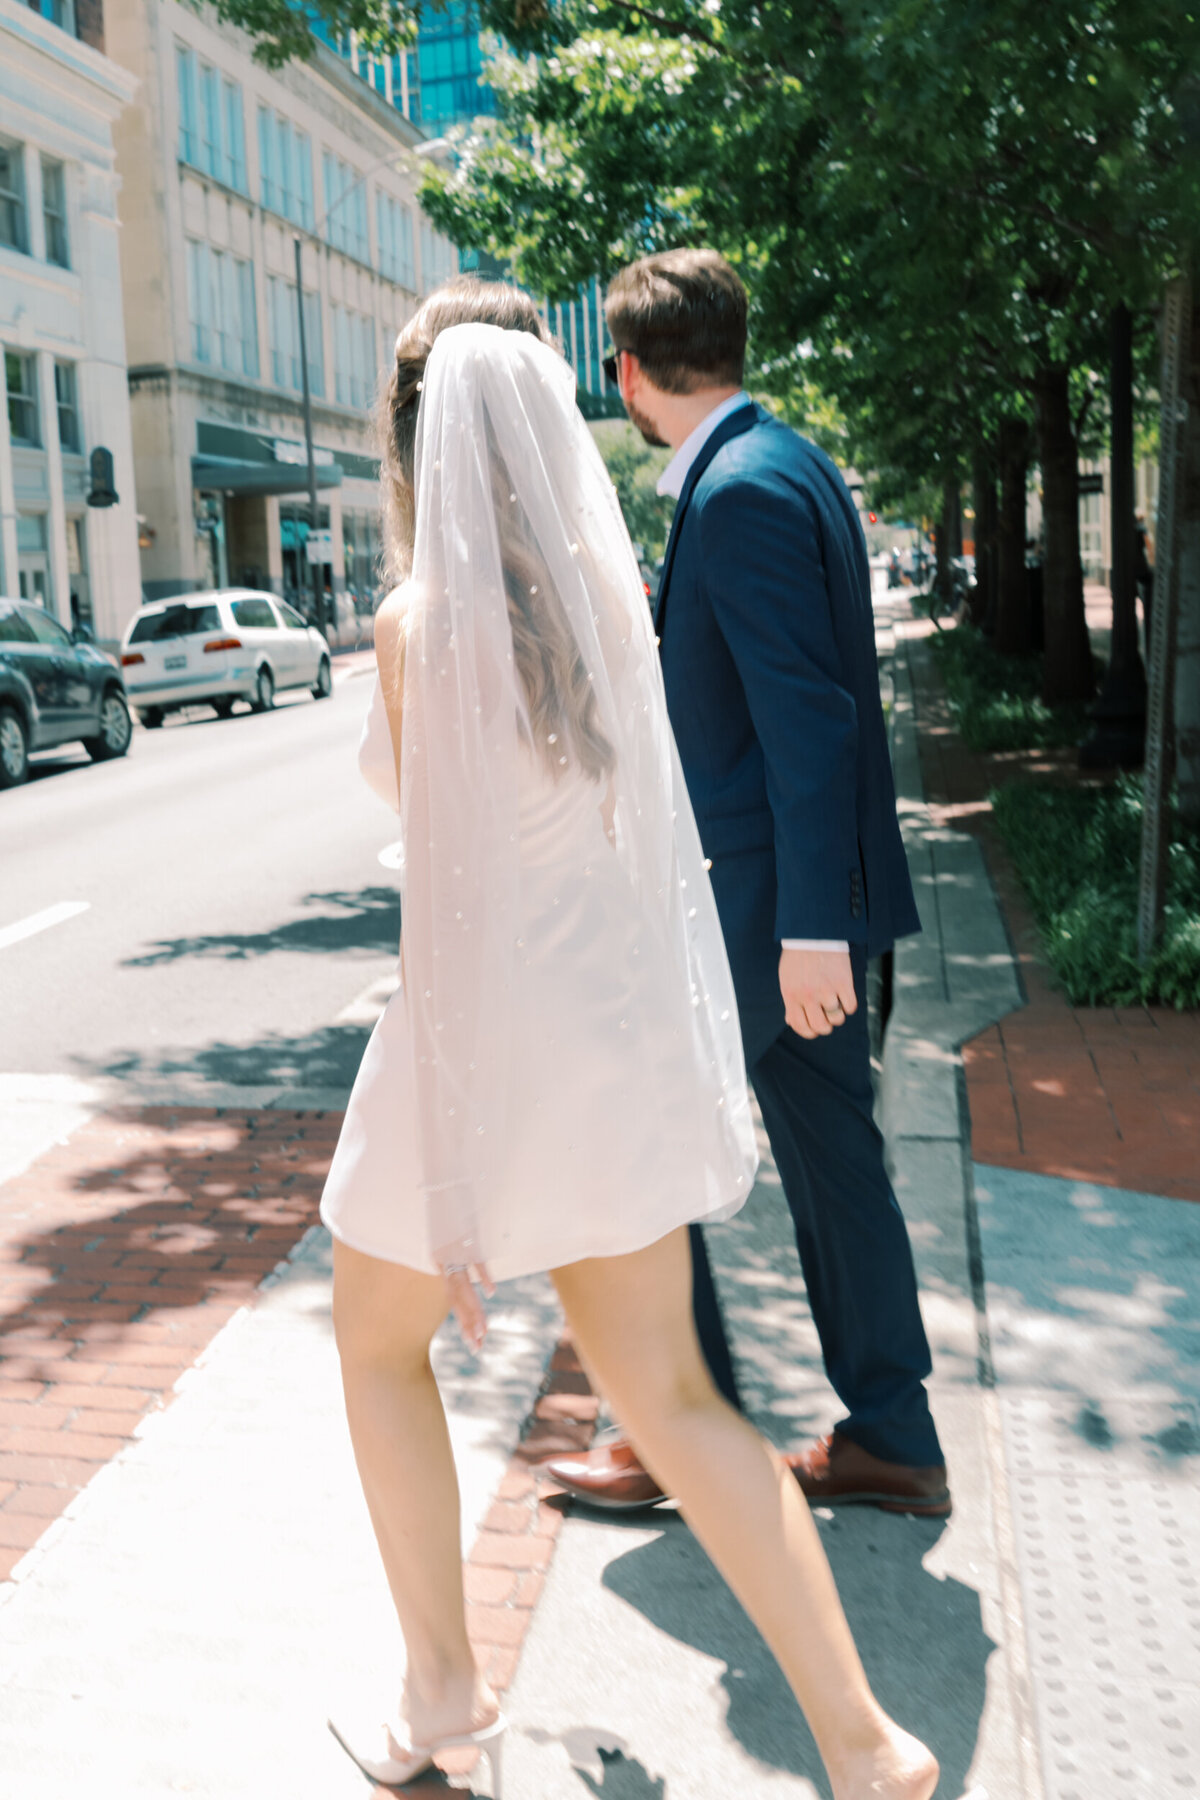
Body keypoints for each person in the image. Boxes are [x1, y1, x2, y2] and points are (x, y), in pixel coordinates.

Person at [319, 278, 956, 1800]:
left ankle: (438, 1699)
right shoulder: (611, 598)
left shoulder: (418, 625)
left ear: (416, 443)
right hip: (599, 1041)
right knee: (676, 1399)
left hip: (473, 1054)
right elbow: (641, 852)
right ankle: (867, 1744)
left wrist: (463, 1191)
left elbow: (445, 921)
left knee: (376, 1347)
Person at [548, 249, 949, 1520]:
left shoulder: (739, 494)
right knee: (836, 1168)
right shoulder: (779, 460)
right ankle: (893, 1433)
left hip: (773, 917)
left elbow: (811, 723)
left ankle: (677, 1433)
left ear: (625, 372)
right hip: (786, 910)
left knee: (637, 1136)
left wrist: (814, 932)